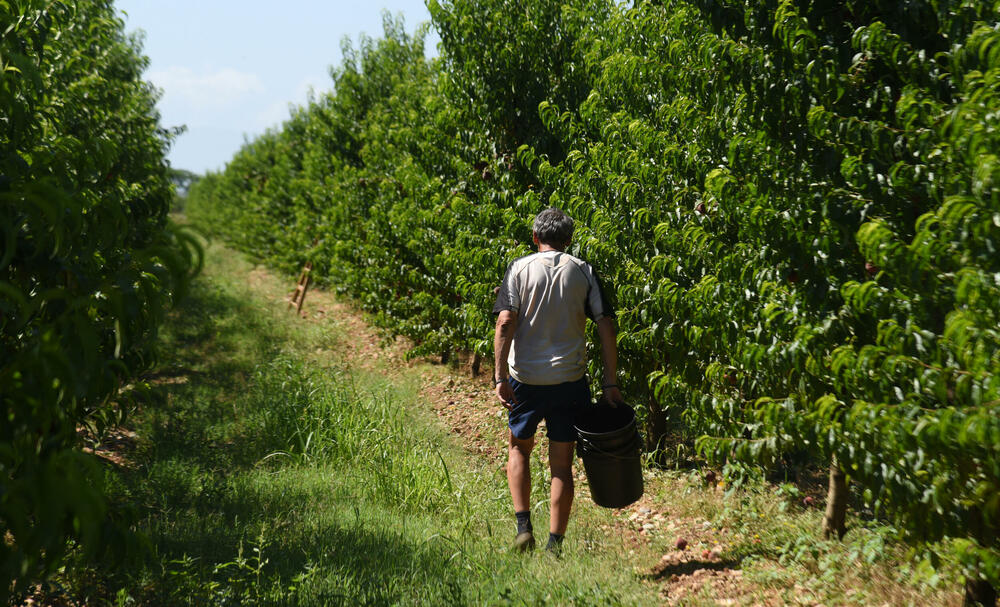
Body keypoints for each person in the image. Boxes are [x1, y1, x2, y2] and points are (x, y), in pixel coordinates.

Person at [492, 207, 623, 554]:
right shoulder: (583, 270)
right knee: (562, 464)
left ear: (535, 237)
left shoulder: (519, 268)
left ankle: (523, 528)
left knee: (519, 448)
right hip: (569, 380)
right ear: (569, 240)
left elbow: (505, 322)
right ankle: (555, 546)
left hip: (526, 379)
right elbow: (606, 325)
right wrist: (610, 383)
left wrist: (500, 376)